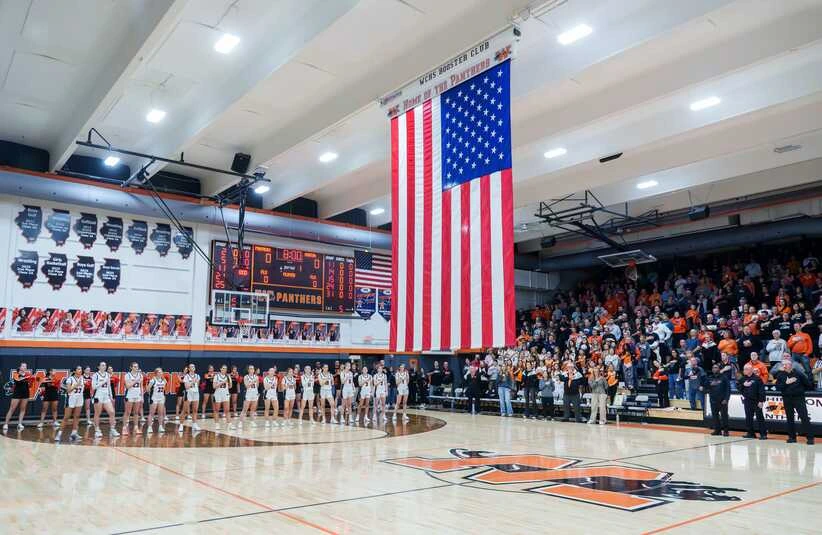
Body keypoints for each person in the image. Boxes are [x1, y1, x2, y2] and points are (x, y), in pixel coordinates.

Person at [774, 360, 814, 445]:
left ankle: (810, 438)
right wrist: (786, 383)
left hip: (798, 398)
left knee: (804, 417)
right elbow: (777, 387)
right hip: (787, 399)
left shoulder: (798, 373)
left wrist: (799, 391)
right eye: (783, 364)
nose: (784, 366)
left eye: (786, 364)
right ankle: (792, 437)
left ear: (790, 365)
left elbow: (808, 385)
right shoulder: (780, 375)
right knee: (789, 418)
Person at [55, 366, 85, 441]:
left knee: (77, 416)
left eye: (81, 369)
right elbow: (68, 390)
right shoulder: (70, 379)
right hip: (71, 398)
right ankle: (59, 434)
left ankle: (74, 433)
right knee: (66, 417)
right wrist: (75, 385)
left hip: (80, 398)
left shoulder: (82, 378)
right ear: (74, 371)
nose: (80, 370)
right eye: (78, 369)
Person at [3, 362, 35, 431]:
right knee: (12, 409)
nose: (24, 367)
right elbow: (18, 380)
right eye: (23, 366)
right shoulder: (16, 374)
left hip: (25, 393)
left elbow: (29, 386)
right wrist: (27, 377)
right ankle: (6, 424)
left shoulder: (28, 375)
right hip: (17, 393)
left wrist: (31, 380)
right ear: (20, 367)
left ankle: (20, 423)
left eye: (25, 366)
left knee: (23, 409)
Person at [91, 361, 119, 438]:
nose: (104, 366)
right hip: (98, 396)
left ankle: (112, 429)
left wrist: (111, 396)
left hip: (106, 396)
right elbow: (93, 387)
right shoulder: (95, 375)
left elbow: (109, 386)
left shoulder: (107, 374)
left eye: (105, 365)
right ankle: (97, 430)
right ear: (98, 367)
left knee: (112, 412)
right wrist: (103, 382)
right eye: (102, 365)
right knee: (97, 413)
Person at [740, 363, 767, 440]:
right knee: (748, 418)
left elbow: (761, 391)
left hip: (756, 401)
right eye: (744, 369)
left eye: (746, 369)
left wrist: (761, 401)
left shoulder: (757, 379)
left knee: (760, 417)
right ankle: (750, 433)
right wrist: (743, 385)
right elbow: (739, 388)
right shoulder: (743, 379)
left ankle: (763, 434)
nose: (744, 371)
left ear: (751, 370)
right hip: (747, 401)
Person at [704, 363, 730, 436]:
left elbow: (728, 389)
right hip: (713, 400)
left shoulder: (724, 377)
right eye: (713, 368)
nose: (714, 369)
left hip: (722, 400)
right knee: (715, 416)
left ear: (719, 369)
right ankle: (717, 430)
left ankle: (726, 431)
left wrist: (726, 399)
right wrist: (708, 384)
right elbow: (705, 387)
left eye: (716, 367)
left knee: (724, 416)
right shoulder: (709, 377)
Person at [122, 362, 144, 436]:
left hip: (137, 395)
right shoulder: (127, 375)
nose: (136, 368)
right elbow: (128, 386)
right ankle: (124, 428)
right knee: (127, 412)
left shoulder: (140, 375)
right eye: (134, 367)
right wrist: (136, 380)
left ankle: (136, 427)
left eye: (137, 367)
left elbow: (141, 386)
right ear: (131, 367)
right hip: (130, 395)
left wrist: (142, 396)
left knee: (136, 412)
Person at [180, 364, 201, 432]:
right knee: (184, 410)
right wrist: (192, 382)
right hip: (189, 393)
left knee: (195, 410)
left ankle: (194, 424)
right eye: (191, 367)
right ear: (189, 369)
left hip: (196, 393)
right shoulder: (186, 376)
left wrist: (194, 382)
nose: (193, 367)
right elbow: (186, 387)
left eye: (194, 366)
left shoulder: (197, 376)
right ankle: (181, 425)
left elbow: (197, 385)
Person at [146, 368, 167, 434]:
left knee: (160, 413)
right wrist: (151, 395)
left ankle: (160, 426)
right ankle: (149, 427)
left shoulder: (164, 380)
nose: (161, 373)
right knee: (151, 413)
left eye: (161, 372)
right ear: (156, 373)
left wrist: (163, 397)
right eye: (159, 372)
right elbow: (147, 390)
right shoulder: (152, 380)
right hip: (154, 398)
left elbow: (163, 390)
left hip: (161, 398)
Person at [212, 365, 232, 430]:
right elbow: (214, 386)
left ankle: (229, 424)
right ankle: (216, 424)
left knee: (227, 410)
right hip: (218, 394)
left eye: (225, 369)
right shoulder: (216, 376)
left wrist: (229, 382)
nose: (224, 369)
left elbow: (230, 386)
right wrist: (222, 382)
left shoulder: (228, 376)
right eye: (223, 368)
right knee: (216, 410)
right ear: (220, 369)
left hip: (225, 394)